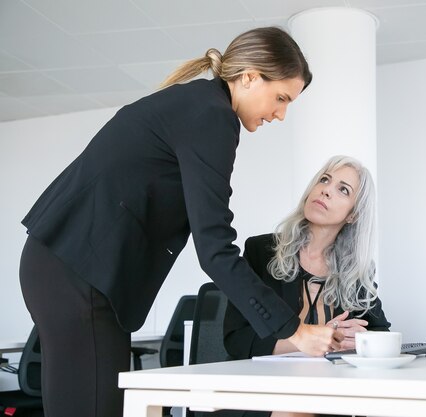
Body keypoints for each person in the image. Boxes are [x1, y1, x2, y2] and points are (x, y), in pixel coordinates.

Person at [18, 27, 343, 417]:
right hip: (78, 274)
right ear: (250, 77)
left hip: (68, 268)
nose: (281, 113)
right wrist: (293, 330)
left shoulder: (198, 105)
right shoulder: (212, 116)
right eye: (280, 98)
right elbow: (215, 249)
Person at [223, 155, 391, 417]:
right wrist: (316, 339)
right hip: (262, 391)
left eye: (342, 190)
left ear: (353, 215)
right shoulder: (261, 251)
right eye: (324, 180)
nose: (326, 189)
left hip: (329, 393)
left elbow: (380, 332)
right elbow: (237, 340)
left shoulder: (356, 271)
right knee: (297, 411)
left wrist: (356, 341)